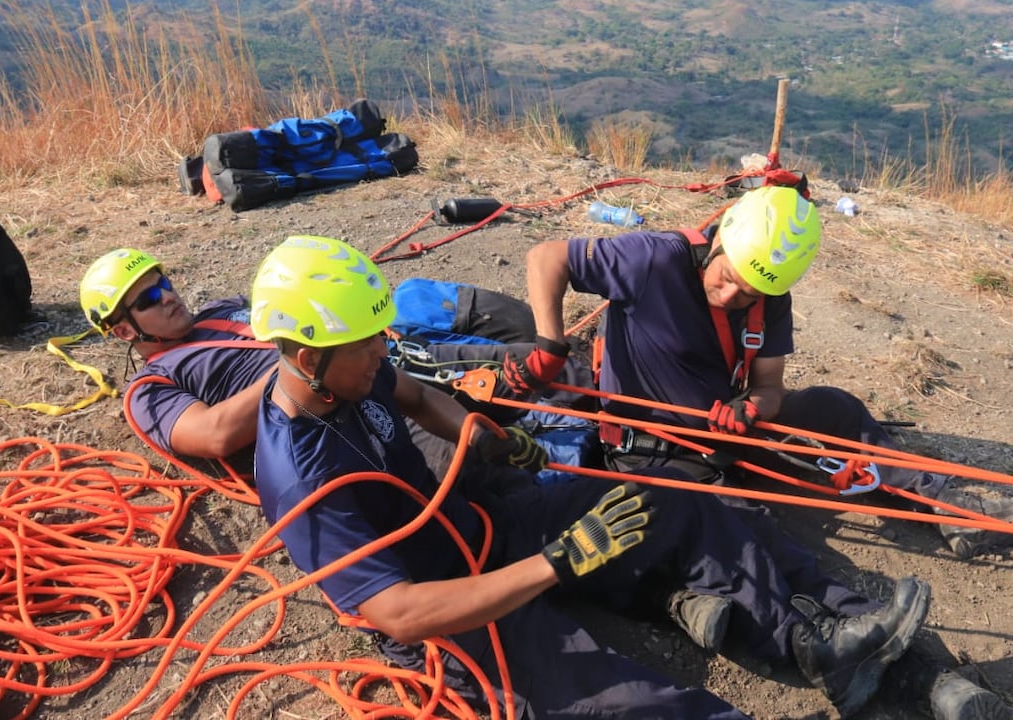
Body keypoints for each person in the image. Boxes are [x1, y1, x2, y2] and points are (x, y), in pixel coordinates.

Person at [247, 234, 934, 719]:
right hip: (433, 609)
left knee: (666, 500)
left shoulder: (352, 374)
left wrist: (488, 438)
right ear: (306, 358)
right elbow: (395, 613)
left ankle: (812, 646)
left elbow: (420, 397)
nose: (381, 351)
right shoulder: (301, 476)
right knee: (606, 693)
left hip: (473, 523)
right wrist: (555, 564)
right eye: (366, 342)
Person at [510, 186, 1013, 719]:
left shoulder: (770, 295)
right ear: (718, 240)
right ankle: (917, 675)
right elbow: (548, 257)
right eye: (726, 279)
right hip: (658, 456)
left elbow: (769, 384)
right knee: (759, 538)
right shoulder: (652, 260)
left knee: (832, 408)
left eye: (748, 295)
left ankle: (943, 503)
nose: (731, 297)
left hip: (730, 435)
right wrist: (550, 345)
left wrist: (753, 407)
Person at [77, 247, 591, 465]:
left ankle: (638, 403)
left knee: (550, 370)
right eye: (147, 298)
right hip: (339, 413)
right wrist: (304, 367)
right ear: (123, 329)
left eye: (162, 282)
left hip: (383, 360)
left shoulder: (220, 309)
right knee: (487, 468)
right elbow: (212, 435)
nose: (167, 295)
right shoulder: (154, 386)